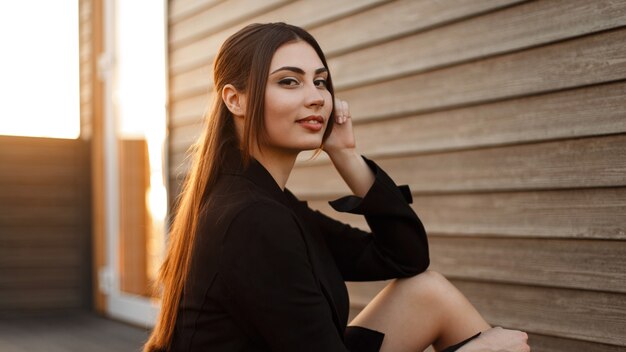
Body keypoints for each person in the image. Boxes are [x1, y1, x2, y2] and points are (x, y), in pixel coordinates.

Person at [144, 23, 530, 352]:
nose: (316, 97)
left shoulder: (269, 201)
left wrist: (345, 154)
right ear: (235, 100)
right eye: (289, 81)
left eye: (321, 82)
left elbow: (407, 258)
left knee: (427, 291)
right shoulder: (251, 218)